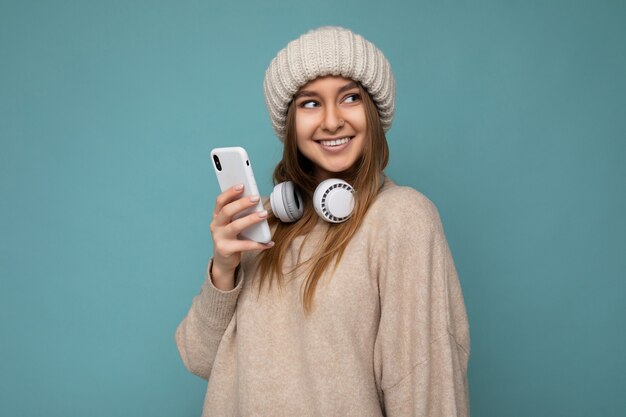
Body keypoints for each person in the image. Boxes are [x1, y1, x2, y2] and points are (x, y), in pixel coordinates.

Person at [175, 26, 470, 416]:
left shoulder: (401, 218)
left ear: (374, 111)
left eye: (350, 97)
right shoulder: (264, 221)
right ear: (290, 124)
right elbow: (200, 359)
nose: (331, 121)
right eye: (310, 103)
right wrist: (224, 269)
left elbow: (427, 389)